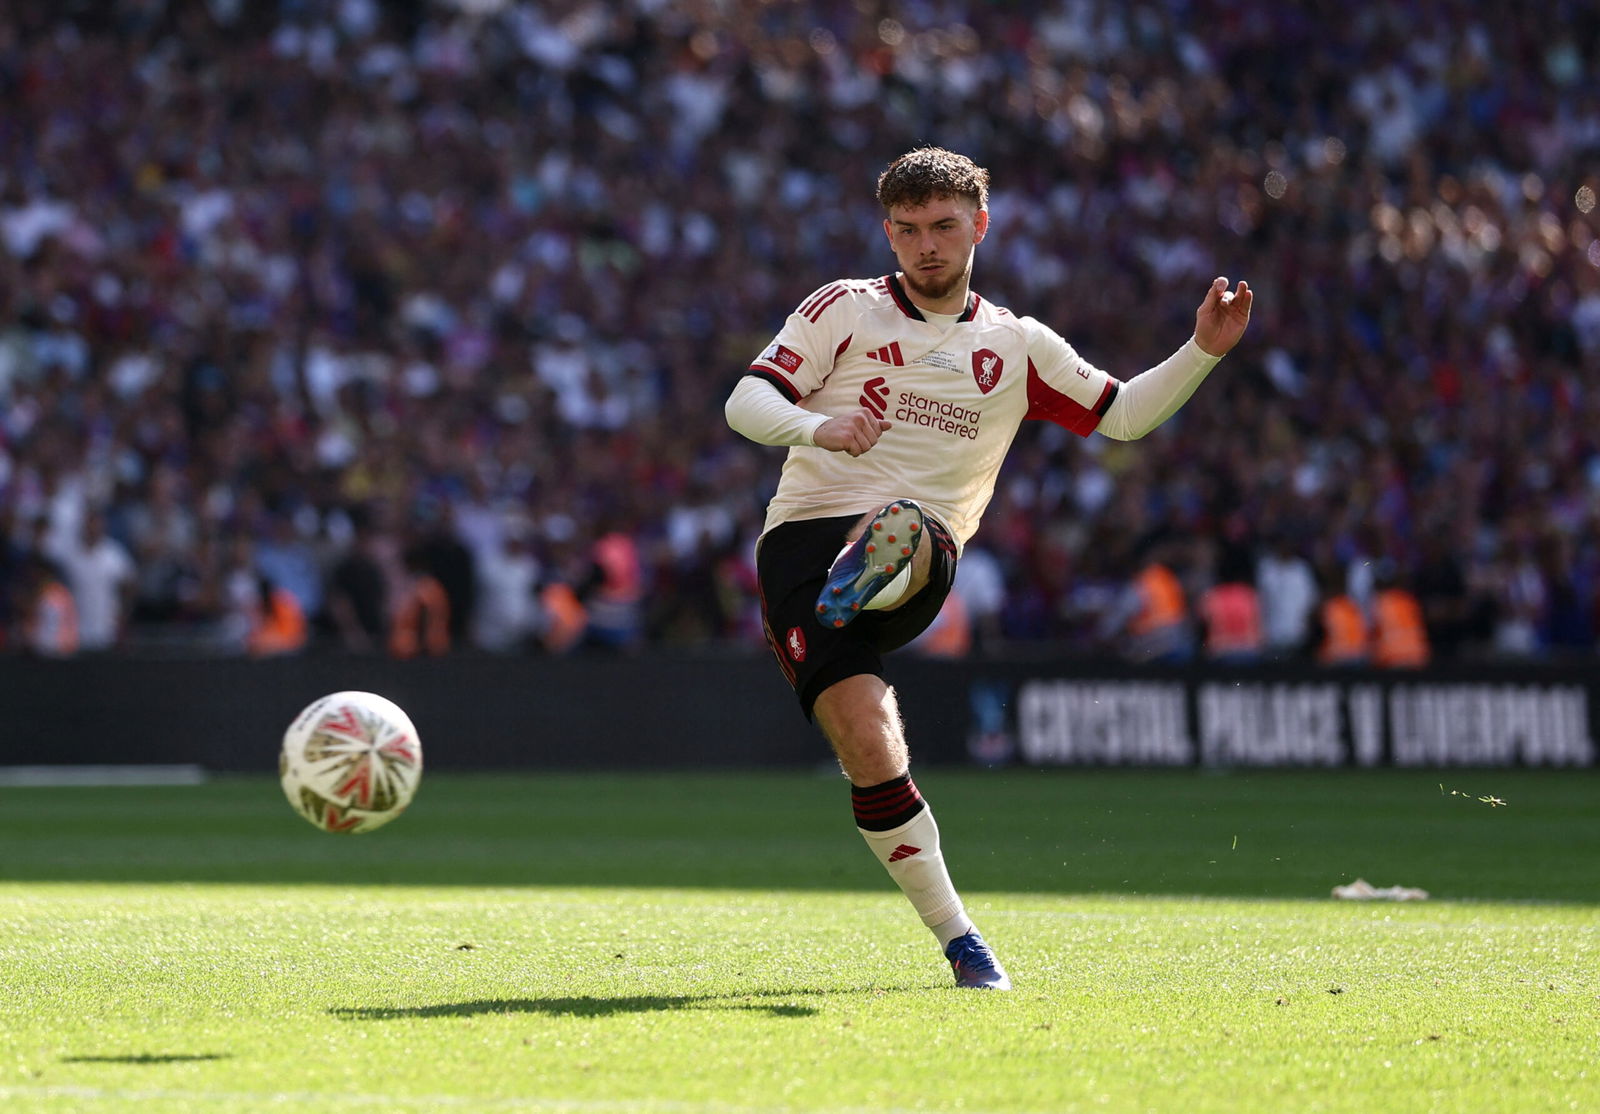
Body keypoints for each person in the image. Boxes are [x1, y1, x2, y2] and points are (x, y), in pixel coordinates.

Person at [724, 147, 1252, 990]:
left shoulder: (1015, 344)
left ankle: (876, 562)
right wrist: (818, 429)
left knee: (906, 524)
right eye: (907, 230)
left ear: (980, 224)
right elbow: (745, 400)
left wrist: (1202, 350)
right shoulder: (843, 310)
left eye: (942, 226)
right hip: (802, 541)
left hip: (923, 550)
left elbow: (1121, 416)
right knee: (868, 742)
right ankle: (962, 941)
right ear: (886, 232)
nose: (925, 246)